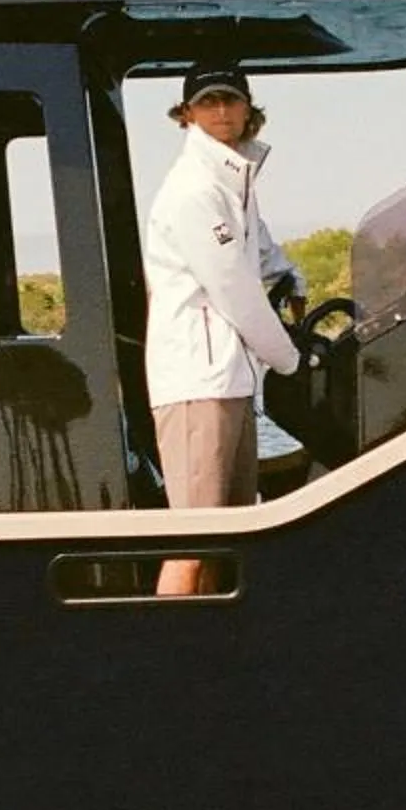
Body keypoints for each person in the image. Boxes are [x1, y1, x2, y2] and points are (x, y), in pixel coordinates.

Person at [143, 64, 303, 594]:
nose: (220, 111)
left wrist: (295, 280)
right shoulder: (194, 190)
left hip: (230, 380)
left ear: (248, 109)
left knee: (228, 536)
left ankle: (208, 640)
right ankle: (162, 641)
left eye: (230, 100)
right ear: (186, 114)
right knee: (193, 540)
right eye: (208, 102)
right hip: (197, 381)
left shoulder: (233, 181)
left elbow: (262, 253)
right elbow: (233, 287)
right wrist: (290, 359)